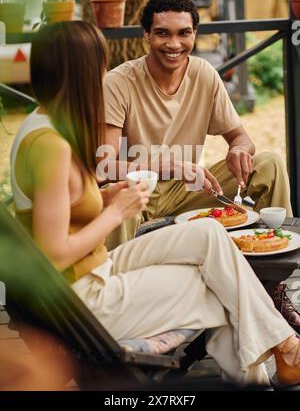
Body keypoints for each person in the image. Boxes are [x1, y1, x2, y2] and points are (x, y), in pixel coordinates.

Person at [10, 21, 300, 387]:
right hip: (86, 300)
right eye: (99, 66)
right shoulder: (51, 147)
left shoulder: (42, 125)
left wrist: (104, 197)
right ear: (81, 73)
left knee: (209, 235)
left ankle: (283, 351)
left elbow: (60, 211)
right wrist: (116, 211)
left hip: (92, 271)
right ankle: (277, 360)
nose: (104, 77)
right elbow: (55, 253)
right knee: (217, 284)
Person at [102, 0, 300, 334]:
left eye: (184, 33)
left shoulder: (205, 75)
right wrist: (169, 165)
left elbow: (241, 137)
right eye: (162, 33)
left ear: (195, 34)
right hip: (139, 192)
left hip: (191, 190)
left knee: (268, 163)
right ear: (146, 35)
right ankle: (111, 306)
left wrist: (240, 147)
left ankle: (273, 287)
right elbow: (104, 166)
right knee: (117, 199)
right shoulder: (119, 82)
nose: (174, 44)